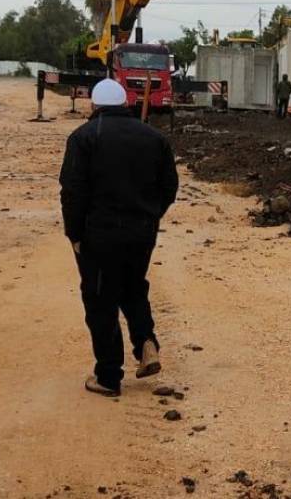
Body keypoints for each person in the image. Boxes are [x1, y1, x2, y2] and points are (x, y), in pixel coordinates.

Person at [59, 78, 179, 397]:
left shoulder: (83, 138)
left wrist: (74, 234)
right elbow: (169, 186)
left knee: (101, 300)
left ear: (94, 105)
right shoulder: (154, 138)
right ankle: (146, 343)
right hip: (141, 234)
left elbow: (72, 191)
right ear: (125, 103)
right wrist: (151, 215)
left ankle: (108, 377)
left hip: (98, 236)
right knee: (133, 287)